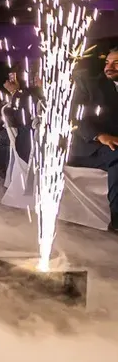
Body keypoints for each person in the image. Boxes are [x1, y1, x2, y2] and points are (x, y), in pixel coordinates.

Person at [69, 46, 118, 230]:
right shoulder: (88, 83)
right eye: (107, 63)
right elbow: (74, 116)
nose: (109, 67)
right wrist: (101, 136)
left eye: (116, 63)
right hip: (89, 147)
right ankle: (117, 222)